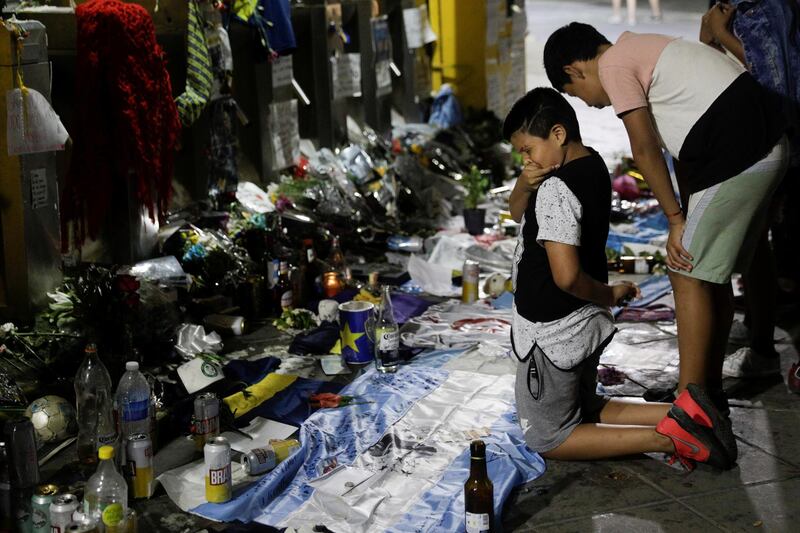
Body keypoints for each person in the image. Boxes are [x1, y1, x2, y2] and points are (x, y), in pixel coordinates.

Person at [542, 23, 789, 409]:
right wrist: (685, 213)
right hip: (767, 145)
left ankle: (688, 404)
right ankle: (708, 390)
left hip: (742, 155)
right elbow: (681, 152)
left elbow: (643, 150)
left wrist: (675, 220)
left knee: (685, 268)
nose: (589, 104)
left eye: (576, 94)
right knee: (709, 271)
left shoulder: (613, 65)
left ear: (575, 70)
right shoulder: (647, 48)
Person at [505, 88, 734, 469]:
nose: (526, 159)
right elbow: (516, 213)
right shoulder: (591, 164)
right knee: (585, 406)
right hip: (582, 323)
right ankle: (687, 412)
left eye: (528, 149)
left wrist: (609, 294)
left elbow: (566, 277)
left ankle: (670, 438)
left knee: (548, 436)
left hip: (552, 331)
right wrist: (525, 182)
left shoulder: (555, 190)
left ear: (558, 134)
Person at [699, 0, 800, 379]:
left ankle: (762, 349)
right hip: (764, 137)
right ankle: (759, 331)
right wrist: (711, 38)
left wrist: (722, 35)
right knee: (757, 243)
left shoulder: (761, 8)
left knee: (757, 242)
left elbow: (775, 84)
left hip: (775, 138)